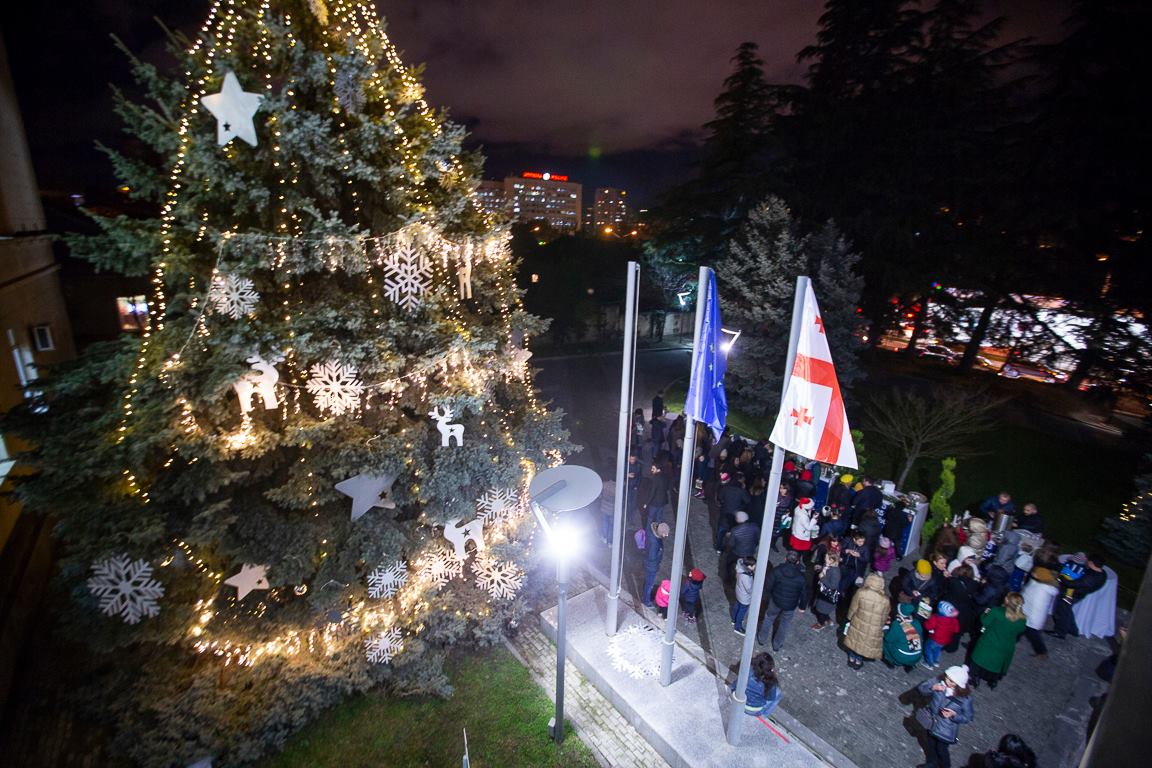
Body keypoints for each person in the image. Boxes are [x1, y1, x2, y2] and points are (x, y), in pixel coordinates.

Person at [915, 664, 975, 768]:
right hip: (932, 723)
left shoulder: (965, 699)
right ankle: (931, 763)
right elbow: (921, 689)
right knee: (931, 745)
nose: (947, 681)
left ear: (959, 684)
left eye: (952, 681)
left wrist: (954, 715)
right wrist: (932, 688)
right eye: (947, 677)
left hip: (945, 730)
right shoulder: (938, 681)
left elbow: (968, 717)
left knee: (942, 750)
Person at [970, 592, 1027, 689]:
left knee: (980, 662)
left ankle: (976, 678)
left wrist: (985, 613)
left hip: (989, 642)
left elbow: (985, 622)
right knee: (997, 665)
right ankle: (993, 682)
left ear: (1007, 601)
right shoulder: (1022, 619)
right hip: (1006, 646)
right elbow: (1020, 631)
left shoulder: (997, 612)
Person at [757, 551, 807, 651]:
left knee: (769, 618)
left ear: (785, 559)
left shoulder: (777, 571)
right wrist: (802, 606)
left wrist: (768, 597)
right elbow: (804, 594)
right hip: (790, 605)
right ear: (797, 562)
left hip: (775, 601)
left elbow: (768, 586)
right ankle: (777, 645)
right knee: (784, 624)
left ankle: (762, 639)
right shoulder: (801, 577)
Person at [1050, 552, 1107, 639]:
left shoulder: (1090, 578)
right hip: (1077, 594)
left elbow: (1070, 584)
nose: (1086, 562)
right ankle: (1072, 630)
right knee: (1066, 611)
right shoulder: (1102, 573)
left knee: (1061, 612)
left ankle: (1060, 633)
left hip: (1071, 595)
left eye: (1088, 561)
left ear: (1091, 563)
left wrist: (1061, 576)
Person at [844, 572, 888, 670]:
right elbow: (884, 616)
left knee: (855, 640)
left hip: (858, 621)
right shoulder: (885, 600)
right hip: (873, 626)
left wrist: (849, 617)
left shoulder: (861, 592)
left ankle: (851, 658)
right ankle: (858, 661)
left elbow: (853, 607)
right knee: (864, 643)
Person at [1020, 564, 1058, 658]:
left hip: (1031, 617)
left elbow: (1036, 606)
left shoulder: (1042, 589)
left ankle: (1042, 652)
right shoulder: (1039, 583)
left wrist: (1030, 619)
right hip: (1026, 613)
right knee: (1025, 631)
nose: (1033, 573)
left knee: (1033, 635)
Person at [941, 563, 980, 651]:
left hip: (952, 608)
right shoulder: (975, 584)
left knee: (946, 628)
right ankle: (952, 647)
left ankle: (942, 645)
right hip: (964, 611)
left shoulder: (953, 581)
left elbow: (944, 590)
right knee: (957, 631)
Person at [738, 652, 782, 717]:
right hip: (754, 710)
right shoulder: (771, 682)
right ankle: (764, 715)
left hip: (739, 703)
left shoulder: (747, 669)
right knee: (779, 693)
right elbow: (770, 698)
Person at [716, 471, 751, 553]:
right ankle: (730, 549)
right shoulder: (741, 491)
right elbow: (748, 501)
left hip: (725, 513)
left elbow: (720, 498)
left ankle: (718, 548)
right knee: (733, 532)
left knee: (721, 531)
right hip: (735, 516)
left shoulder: (725, 488)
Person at [884, 601, 925, 671]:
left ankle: (890, 660)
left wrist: (885, 629)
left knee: (884, 642)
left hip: (902, 656)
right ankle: (910, 664)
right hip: (917, 656)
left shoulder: (897, 625)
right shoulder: (916, 623)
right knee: (907, 643)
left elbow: (888, 639)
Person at [920, 601, 961, 670]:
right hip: (945, 640)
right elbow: (956, 630)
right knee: (938, 649)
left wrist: (926, 622)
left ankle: (929, 663)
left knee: (928, 649)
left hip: (934, 639)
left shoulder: (935, 617)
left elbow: (928, 626)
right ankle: (936, 661)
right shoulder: (954, 620)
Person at [722, 510, 759, 584]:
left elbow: (731, 544)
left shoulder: (735, 530)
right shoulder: (755, 526)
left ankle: (728, 579)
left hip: (737, 552)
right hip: (750, 551)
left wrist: (727, 537)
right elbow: (757, 538)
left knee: (728, 563)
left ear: (738, 520)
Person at [641, 521, 671, 608]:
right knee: (649, 584)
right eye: (665, 534)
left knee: (648, 582)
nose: (667, 536)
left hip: (649, 564)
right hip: (651, 567)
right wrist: (656, 565)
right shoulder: (655, 543)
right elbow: (652, 558)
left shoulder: (653, 534)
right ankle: (646, 601)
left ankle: (645, 598)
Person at [811, 551, 842, 630]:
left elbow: (833, 586)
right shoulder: (828, 565)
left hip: (827, 596)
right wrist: (822, 570)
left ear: (831, 560)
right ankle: (828, 619)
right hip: (823, 592)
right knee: (822, 609)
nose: (824, 559)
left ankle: (821, 624)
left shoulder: (835, 572)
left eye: (826, 558)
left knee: (820, 610)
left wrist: (822, 578)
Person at [636, 461, 670, 526]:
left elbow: (652, 492)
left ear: (658, 469)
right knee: (659, 517)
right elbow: (667, 487)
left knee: (650, 518)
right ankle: (657, 533)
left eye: (653, 468)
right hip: (663, 502)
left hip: (655, 502)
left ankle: (648, 533)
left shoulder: (655, 478)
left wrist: (646, 503)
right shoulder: (665, 476)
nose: (651, 470)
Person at [732, 557, 755, 635]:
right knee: (742, 611)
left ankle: (734, 620)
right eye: (753, 565)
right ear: (748, 566)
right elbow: (749, 589)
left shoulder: (740, 569)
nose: (754, 567)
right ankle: (738, 627)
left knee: (737, 606)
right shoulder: (746, 577)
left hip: (739, 592)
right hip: (744, 597)